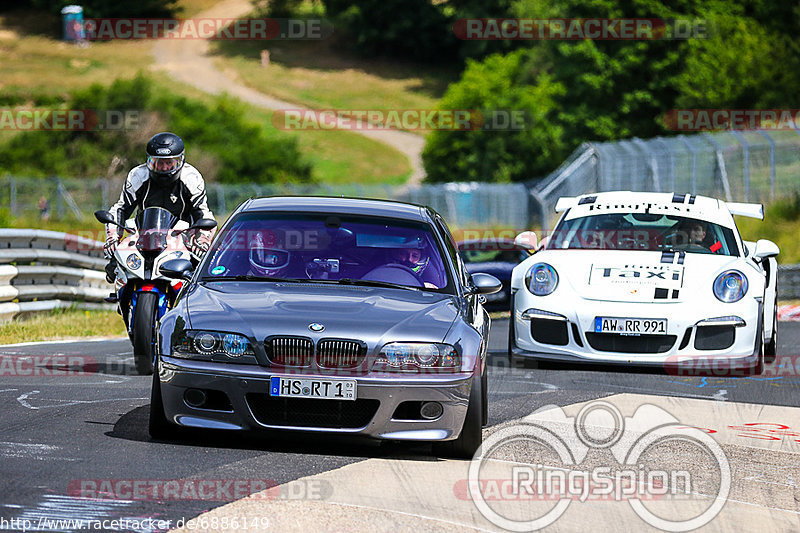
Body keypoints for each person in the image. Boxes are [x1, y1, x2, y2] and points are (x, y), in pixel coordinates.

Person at [103, 132, 215, 282]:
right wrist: (113, 238)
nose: (164, 168)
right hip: (144, 235)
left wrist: (201, 241)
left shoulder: (191, 178)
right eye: (158, 162)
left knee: (200, 272)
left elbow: (203, 213)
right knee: (112, 269)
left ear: (180, 161)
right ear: (148, 161)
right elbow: (121, 208)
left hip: (181, 238)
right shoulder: (138, 175)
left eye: (170, 162)